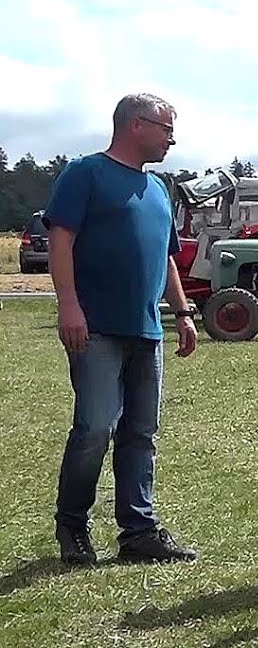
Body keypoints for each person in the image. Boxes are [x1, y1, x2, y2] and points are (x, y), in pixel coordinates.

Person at [44, 92, 200, 564]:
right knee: (93, 427)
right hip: (96, 329)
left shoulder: (159, 188)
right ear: (136, 125)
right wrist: (68, 305)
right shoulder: (85, 173)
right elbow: (60, 238)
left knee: (141, 431)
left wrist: (183, 312)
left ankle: (139, 532)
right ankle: (72, 526)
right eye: (167, 128)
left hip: (146, 330)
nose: (173, 138)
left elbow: (167, 257)